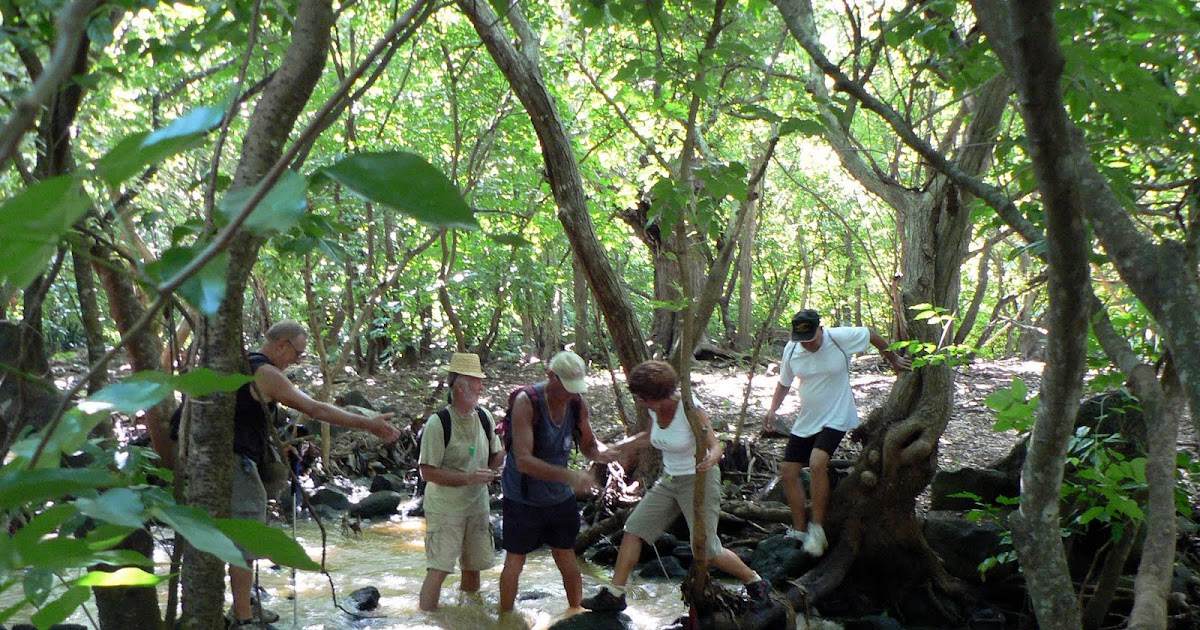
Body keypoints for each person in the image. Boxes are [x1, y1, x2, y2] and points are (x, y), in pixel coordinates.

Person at [220, 320, 401, 628]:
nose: (298, 361)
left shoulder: (246, 364)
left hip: (234, 460)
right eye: (298, 353)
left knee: (241, 534)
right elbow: (317, 410)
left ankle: (245, 604)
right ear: (282, 345)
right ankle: (243, 618)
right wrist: (369, 424)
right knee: (245, 540)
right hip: (238, 464)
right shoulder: (265, 373)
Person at [580, 360, 772, 612]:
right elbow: (649, 437)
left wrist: (712, 456)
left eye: (641, 396)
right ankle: (615, 594)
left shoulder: (690, 409)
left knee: (706, 549)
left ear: (656, 395)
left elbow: (714, 444)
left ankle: (755, 582)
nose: (638, 400)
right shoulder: (653, 410)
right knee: (634, 529)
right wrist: (616, 449)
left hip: (699, 480)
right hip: (670, 480)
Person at [762, 309, 910, 557]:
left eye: (812, 337)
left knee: (817, 463)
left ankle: (817, 529)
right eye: (803, 340)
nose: (808, 344)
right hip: (808, 418)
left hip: (837, 414)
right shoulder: (792, 350)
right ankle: (799, 530)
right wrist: (772, 410)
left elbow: (871, 335)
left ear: (820, 329)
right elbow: (784, 383)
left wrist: (893, 360)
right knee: (788, 472)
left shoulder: (839, 338)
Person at [499, 350, 623, 614]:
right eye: (566, 386)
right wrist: (570, 476)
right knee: (515, 561)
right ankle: (505, 618)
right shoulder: (527, 402)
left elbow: (588, 445)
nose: (570, 393)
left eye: (574, 388)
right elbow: (523, 460)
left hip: (558, 496)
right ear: (550, 376)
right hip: (522, 496)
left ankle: (575, 613)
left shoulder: (577, 403)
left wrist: (602, 453)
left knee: (566, 556)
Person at [417, 352, 504, 610]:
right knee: (439, 570)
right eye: (477, 382)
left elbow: (496, 454)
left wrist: (500, 460)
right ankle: (428, 622)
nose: (481, 387)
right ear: (460, 386)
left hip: (477, 506)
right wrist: (468, 478)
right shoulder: (438, 423)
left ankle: (469, 619)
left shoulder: (485, 417)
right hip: (445, 509)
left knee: (473, 569)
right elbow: (427, 472)